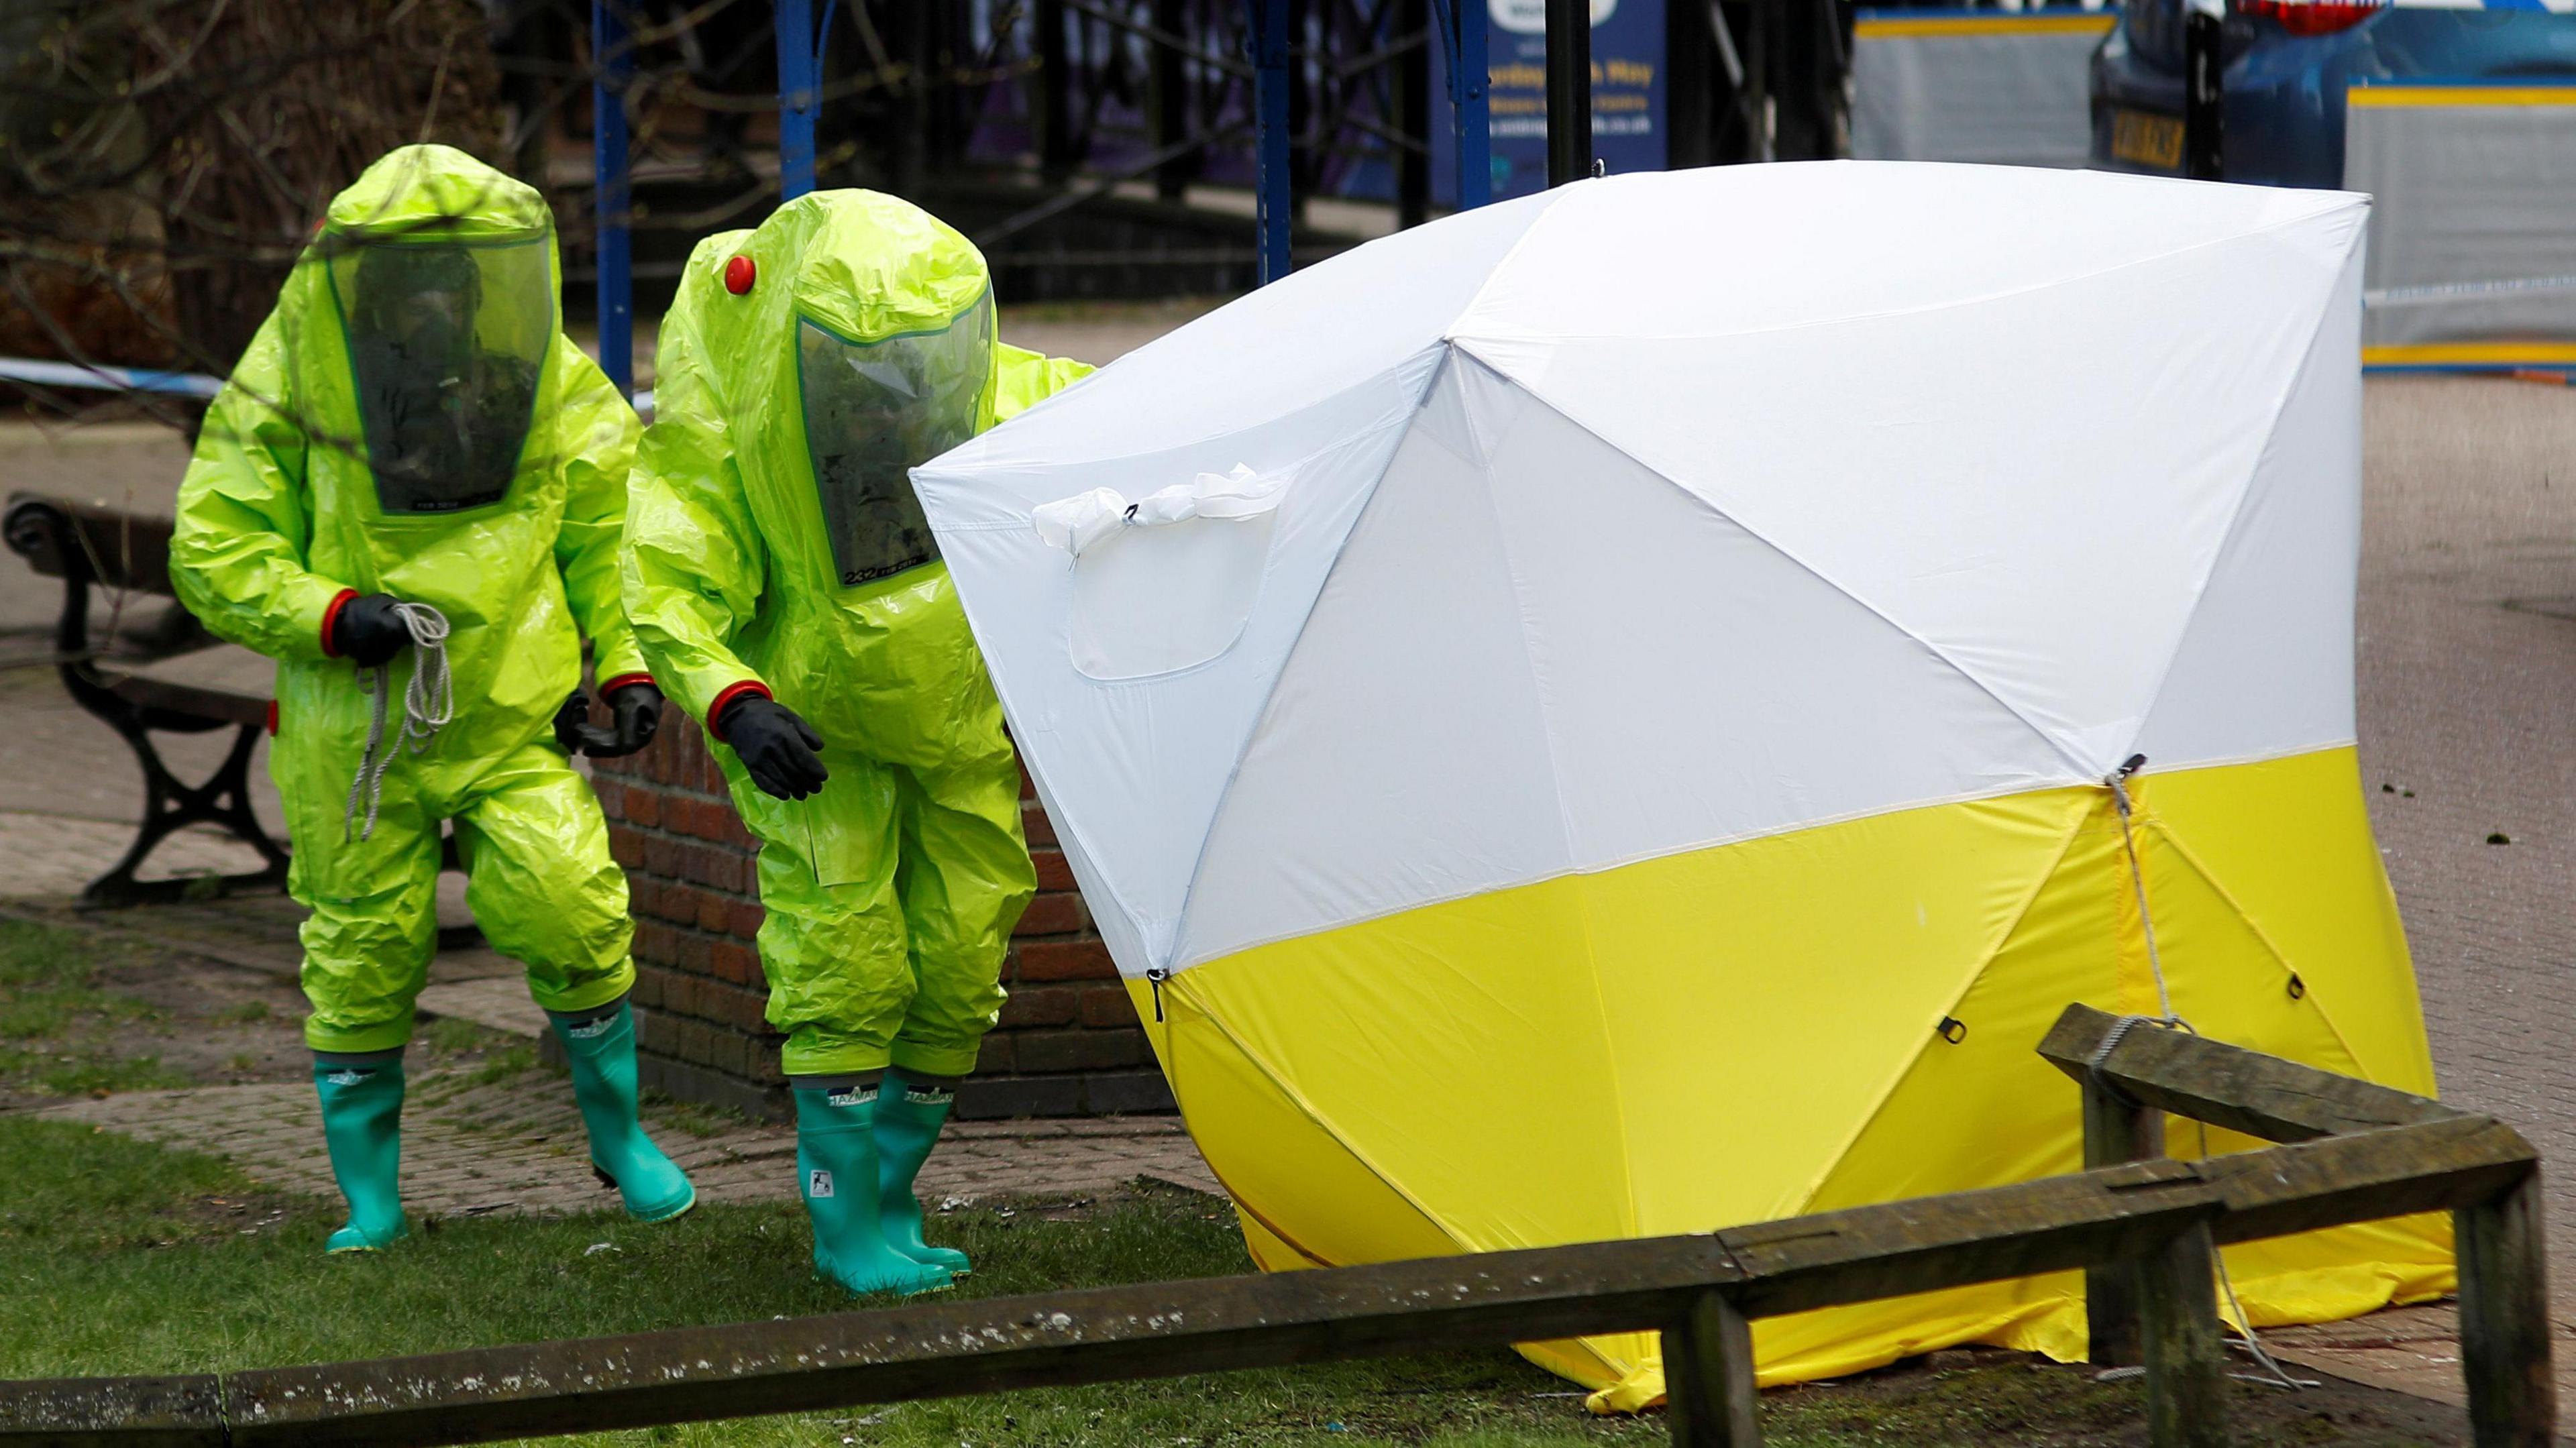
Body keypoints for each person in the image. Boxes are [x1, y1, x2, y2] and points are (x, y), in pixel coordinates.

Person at [170, 144, 693, 1253]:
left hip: (509, 711)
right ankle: (373, 1197)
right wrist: (325, 612)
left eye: (459, 279)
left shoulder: (542, 378)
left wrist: (632, 664)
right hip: (355, 734)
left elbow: (612, 535)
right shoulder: (293, 380)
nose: (439, 302)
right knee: (363, 952)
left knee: (570, 907)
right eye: (414, 280)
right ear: (361, 281)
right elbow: (215, 545)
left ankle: (622, 1139)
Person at [623, 190, 1091, 1296]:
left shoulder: (993, 389)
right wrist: (735, 702)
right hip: (817, 735)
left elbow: (1132, 425)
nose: (891, 400)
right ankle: (844, 1230)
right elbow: (669, 579)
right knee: (845, 955)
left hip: (954, 723)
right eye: (864, 377)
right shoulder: (747, 430)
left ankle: (889, 1199)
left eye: (913, 372)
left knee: (964, 950)